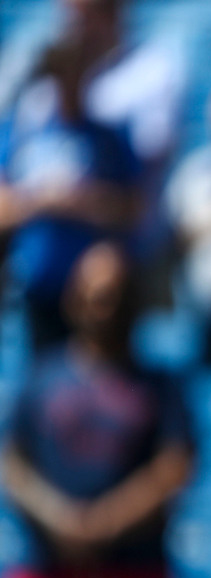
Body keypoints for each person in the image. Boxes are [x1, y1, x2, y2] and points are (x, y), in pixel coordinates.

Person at [0, 240, 192, 578]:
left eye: (118, 295)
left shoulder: (159, 385)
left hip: (135, 577)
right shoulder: (41, 378)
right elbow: (12, 462)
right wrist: (62, 521)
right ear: (74, 299)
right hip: (49, 575)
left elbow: (174, 467)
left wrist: (104, 524)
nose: (106, 307)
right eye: (96, 294)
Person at [0, 38, 142, 351]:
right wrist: (43, 200)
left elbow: (133, 208)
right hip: (37, 286)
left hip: (95, 296)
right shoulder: (23, 135)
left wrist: (82, 201)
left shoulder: (108, 139)